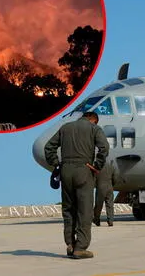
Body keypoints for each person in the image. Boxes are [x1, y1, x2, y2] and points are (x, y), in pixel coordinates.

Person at [44, 111, 109, 259]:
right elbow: (104, 148)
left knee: (68, 209)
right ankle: (80, 247)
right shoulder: (94, 129)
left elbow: (49, 147)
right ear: (93, 120)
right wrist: (97, 165)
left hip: (66, 170)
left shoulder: (65, 127)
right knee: (84, 210)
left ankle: (70, 244)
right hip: (84, 169)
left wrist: (56, 163)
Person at [93, 160, 116, 227]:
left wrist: (95, 185)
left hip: (100, 188)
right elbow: (115, 177)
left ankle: (97, 220)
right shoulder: (111, 166)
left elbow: (94, 178)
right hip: (109, 187)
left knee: (98, 205)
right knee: (110, 205)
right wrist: (112, 185)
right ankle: (110, 221)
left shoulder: (97, 167)